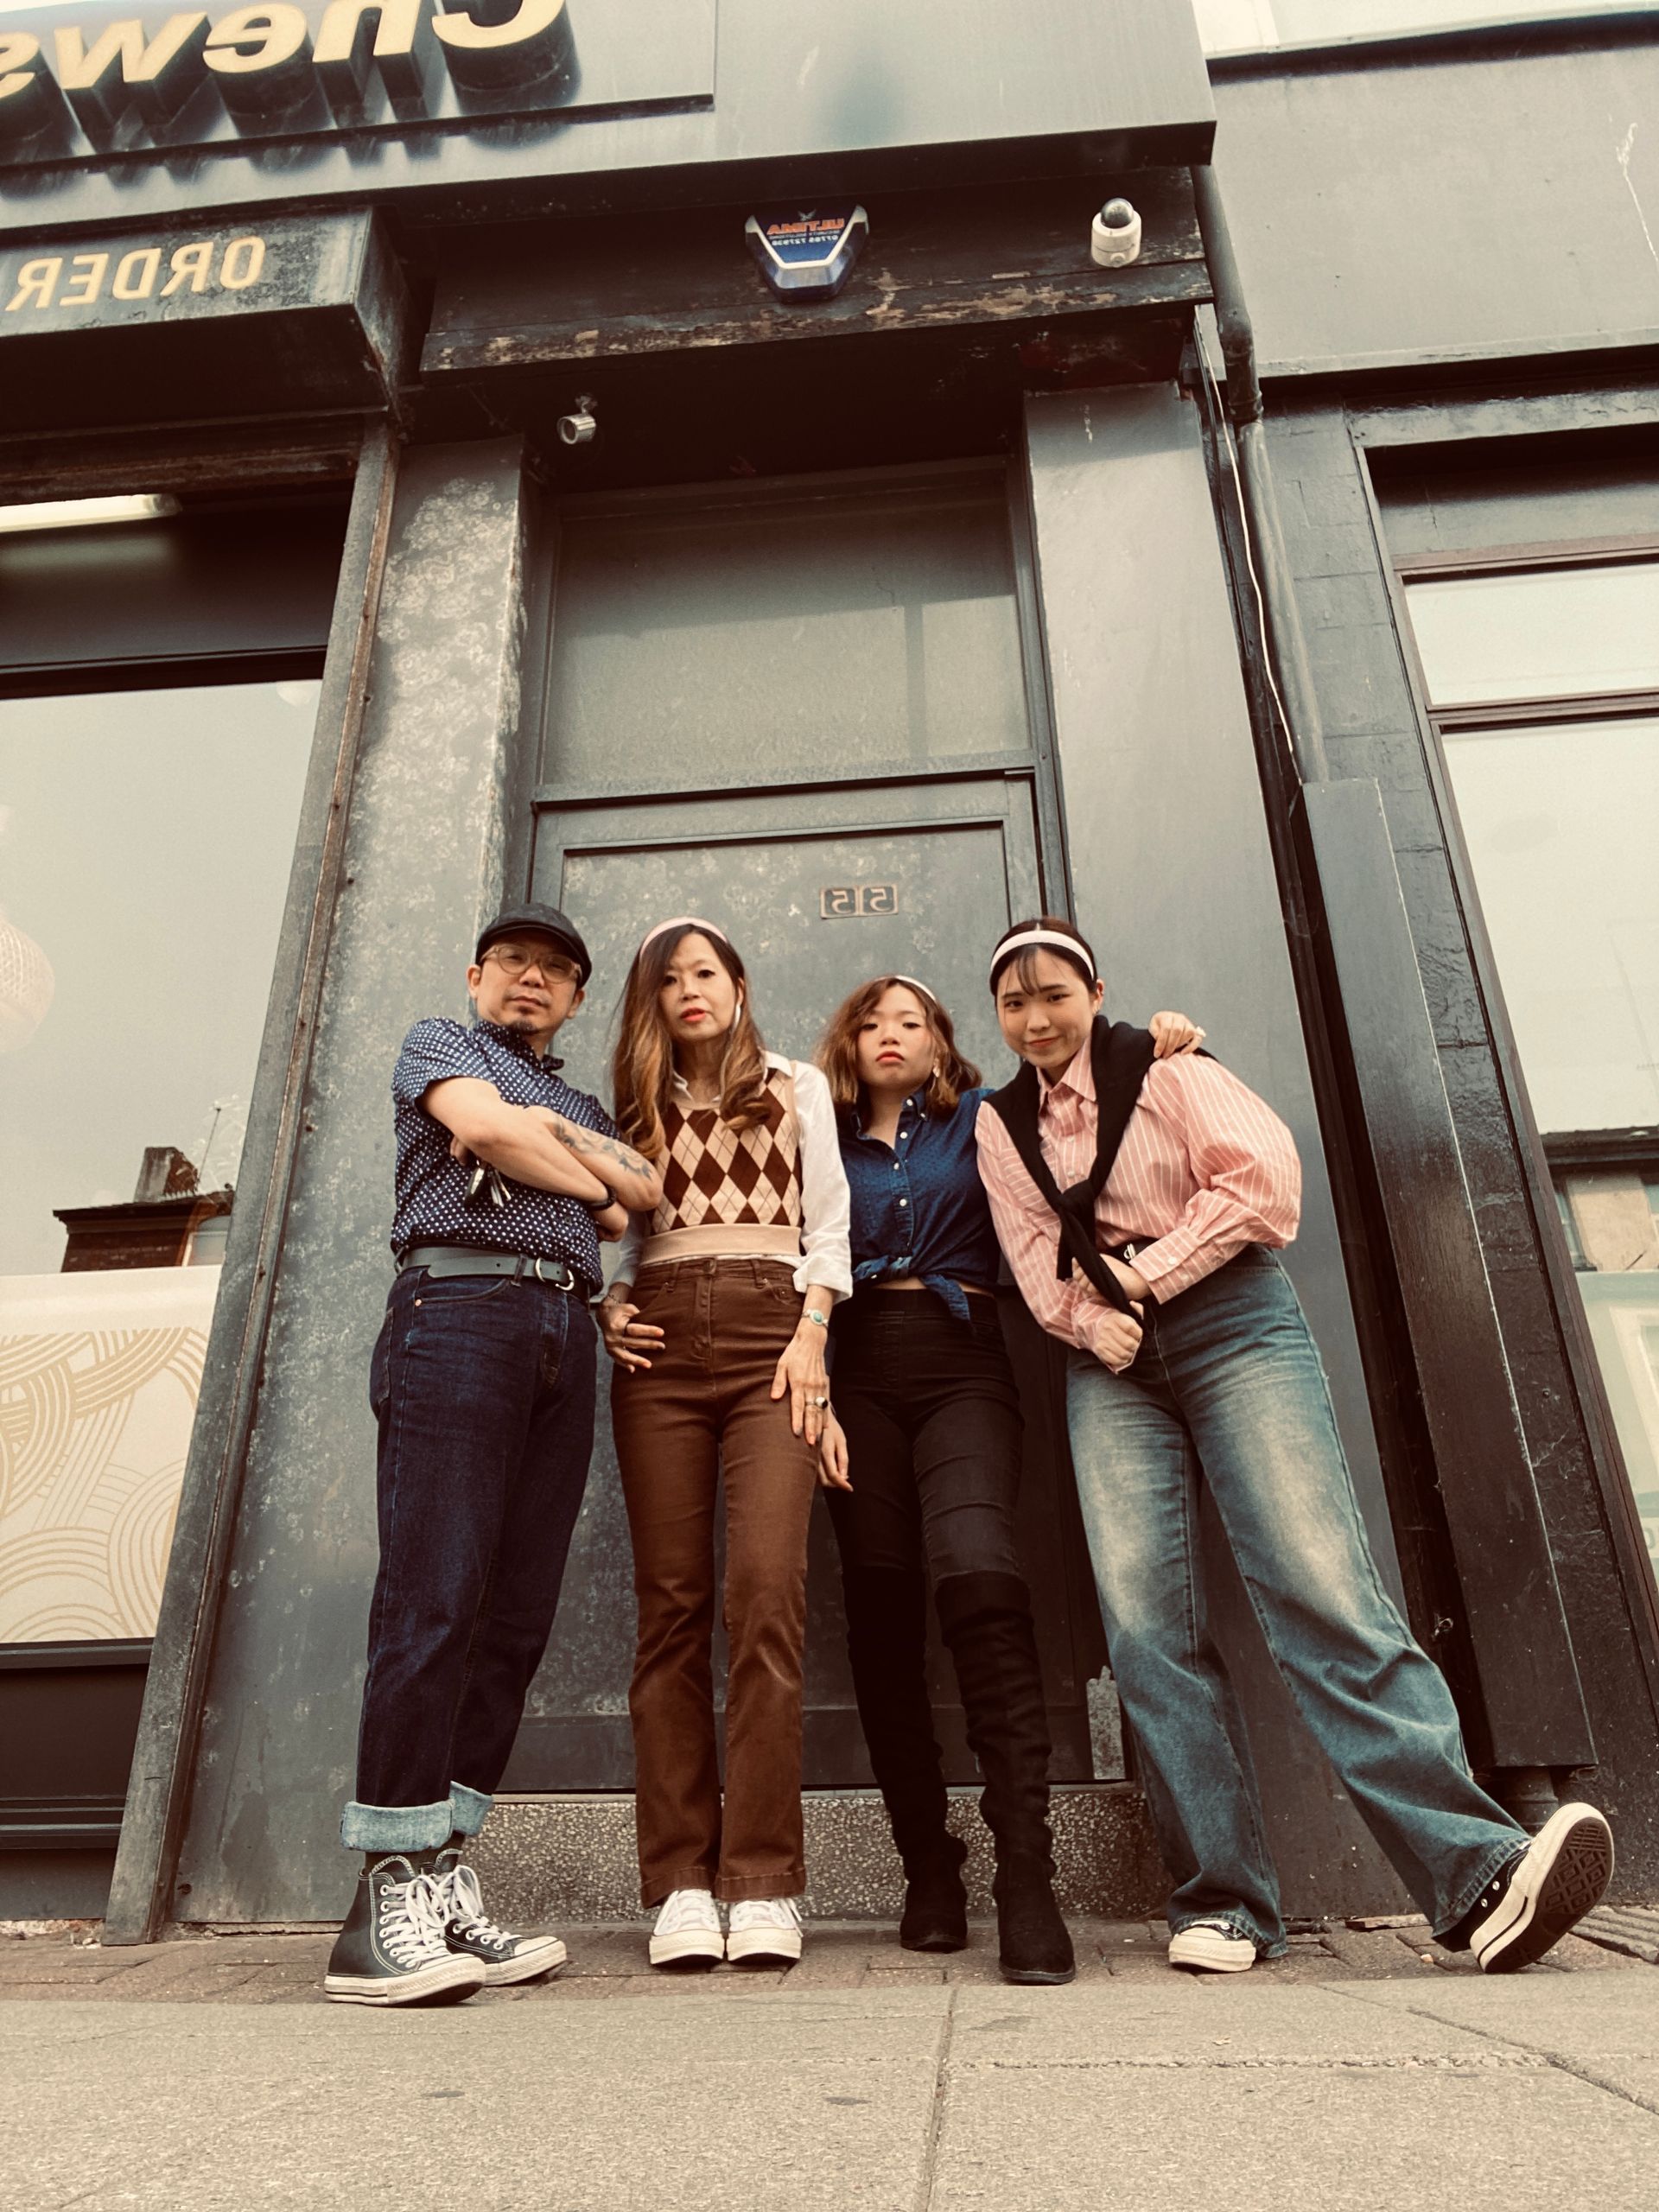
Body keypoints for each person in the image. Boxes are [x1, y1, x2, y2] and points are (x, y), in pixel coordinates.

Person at [975, 914, 1615, 1974]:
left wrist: (1149, 1272)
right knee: (1142, 1628)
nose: (1036, 1017)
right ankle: (1222, 1901)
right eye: (1013, 1001)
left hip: (1233, 1323)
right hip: (1111, 1365)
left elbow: (1266, 1184)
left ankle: (1478, 1873)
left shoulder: (1171, 1068)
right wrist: (1098, 1322)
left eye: (1053, 993)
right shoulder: (1006, 1125)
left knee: (1319, 1587)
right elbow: (1037, 1261)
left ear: (1093, 991)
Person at [813, 975, 1201, 1986]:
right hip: (854, 1368)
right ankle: (928, 1866)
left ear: (944, 1044)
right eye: (870, 1022)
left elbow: (1088, 1101)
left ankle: (1026, 1873)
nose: (889, 1034)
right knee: (882, 1606)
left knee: (982, 1578)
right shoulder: (819, 1137)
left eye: (912, 1020)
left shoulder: (991, 1120)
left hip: (966, 1358)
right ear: (847, 1046)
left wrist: (1155, 1040)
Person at [324, 902, 664, 2007]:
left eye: (556, 971)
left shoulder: (578, 1096)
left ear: (575, 1000)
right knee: (435, 1595)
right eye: (514, 961)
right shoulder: (440, 1041)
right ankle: (383, 1892)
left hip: (565, 1333)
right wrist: (575, 1163)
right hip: (459, 1308)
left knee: (514, 1618)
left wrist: (559, 1149)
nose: (532, 979)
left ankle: (442, 1866)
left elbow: (642, 1198)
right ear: (477, 974)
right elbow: (497, 1137)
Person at [598, 918, 851, 1970]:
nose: (690, 991)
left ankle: (762, 1882)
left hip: (770, 1339)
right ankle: (681, 1886)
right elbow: (606, 1229)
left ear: (739, 985)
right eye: (670, 980)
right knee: (671, 1610)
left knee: (765, 1596)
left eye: (706, 972)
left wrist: (813, 1338)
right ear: (649, 1002)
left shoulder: (796, 1085)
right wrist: (605, 1305)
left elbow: (831, 1226)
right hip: (658, 1347)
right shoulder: (629, 1107)